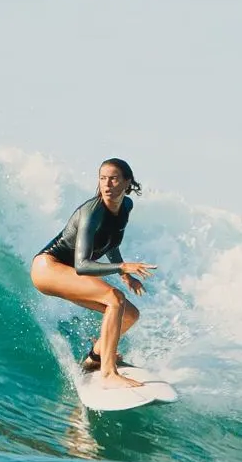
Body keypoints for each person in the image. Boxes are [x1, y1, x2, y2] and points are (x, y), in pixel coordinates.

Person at [30, 159, 157, 389]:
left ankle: (95, 358)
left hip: (65, 271)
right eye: (102, 178)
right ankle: (109, 373)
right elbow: (82, 265)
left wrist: (125, 275)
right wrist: (122, 267)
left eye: (114, 178)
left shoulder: (125, 206)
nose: (107, 184)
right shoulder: (92, 213)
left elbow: (110, 242)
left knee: (129, 314)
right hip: (48, 267)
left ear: (127, 182)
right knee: (114, 299)